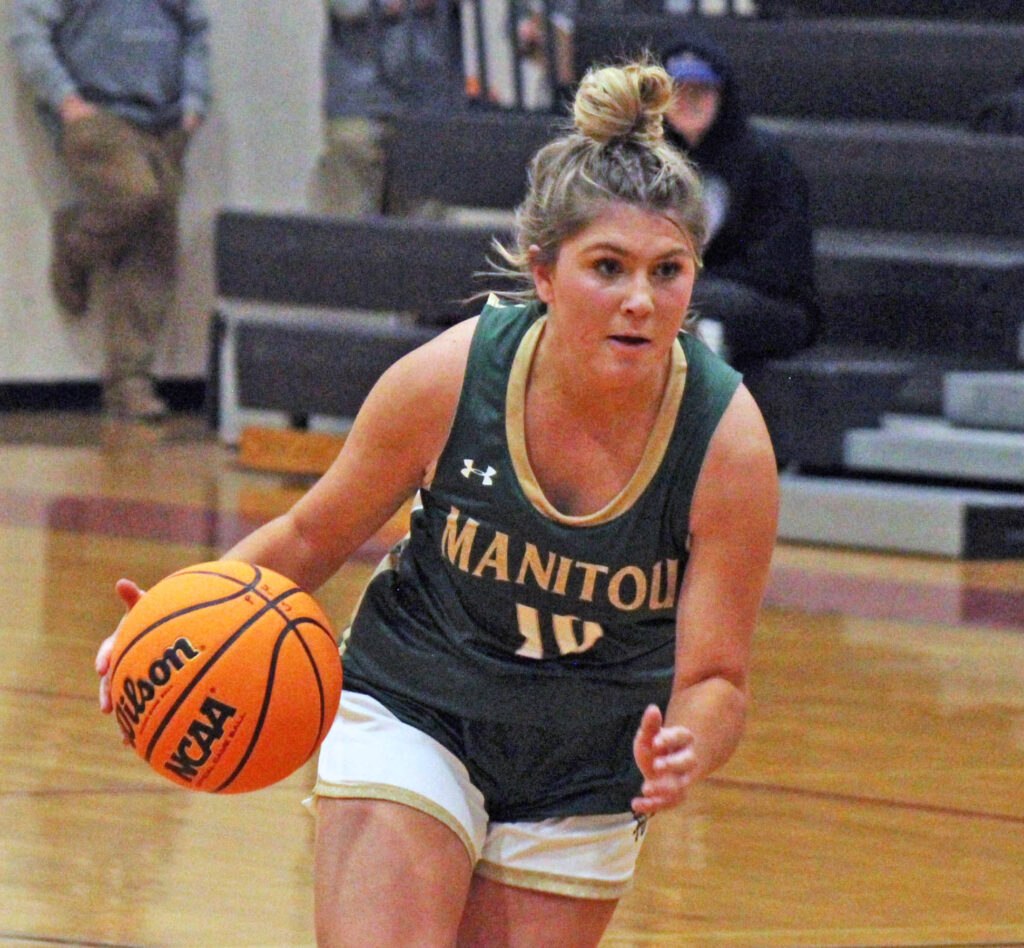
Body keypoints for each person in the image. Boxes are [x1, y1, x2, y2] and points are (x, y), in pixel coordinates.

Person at [97, 58, 778, 947]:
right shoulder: (451, 378)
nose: (641, 301)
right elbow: (313, 533)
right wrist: (180, 617)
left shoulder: (727, 446)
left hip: (589, 757)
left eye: (669, 271)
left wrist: (689, 744)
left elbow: (717, 677)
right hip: (415, 703)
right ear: (543, 272)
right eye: (608, 267)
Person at [10, 0, 211, 420]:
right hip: (96, 115)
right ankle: (76, 246)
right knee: (137, 193)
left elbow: (196, 31)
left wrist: (194, 102)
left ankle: (129, 385)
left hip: (165, 119)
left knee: (154, 256)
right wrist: (66, 101)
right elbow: (27, 33)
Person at [661, 38, 820, 369]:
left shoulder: (766, 160)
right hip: (688, 289)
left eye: (699, 92)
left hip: (770, 302)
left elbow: (780, 266)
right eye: (677, 92)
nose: (686, 102)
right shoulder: (652, 158)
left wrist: (689, 278)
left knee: (678, 298)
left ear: (722, 96)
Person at [321, 0, 459, 216]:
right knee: (347, 228)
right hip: (360, 99)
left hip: (431, 100)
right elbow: (347, 6)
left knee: (427, 231)